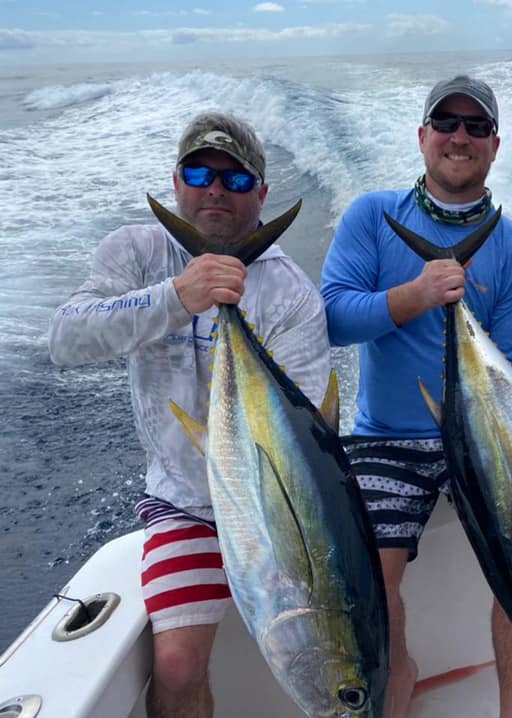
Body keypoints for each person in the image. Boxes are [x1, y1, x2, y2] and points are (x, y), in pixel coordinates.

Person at [48, 112, 330, 717]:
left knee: (336, 629)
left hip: (270, 503)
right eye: (200, 172)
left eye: (235, 179)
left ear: (261, 193)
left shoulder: (291, 292)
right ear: (176, 180)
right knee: (176, 665)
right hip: (186, 503)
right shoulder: (140, 250)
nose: (214, 190)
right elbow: (66, 340)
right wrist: (178, 297)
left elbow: (301, 430)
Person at [320, 77, 512, 718]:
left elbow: (506, 368)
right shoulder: (372, 215)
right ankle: (400, 672)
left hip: (480, 433)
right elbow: (333, 316)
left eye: (476, 127)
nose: (460, 135)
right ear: (422, 136)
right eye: (446, 121)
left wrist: (506, 372)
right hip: (384, 434)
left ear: (495, 147)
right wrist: (416, 295)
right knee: (371, 581)